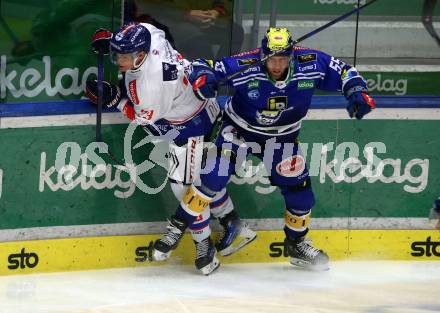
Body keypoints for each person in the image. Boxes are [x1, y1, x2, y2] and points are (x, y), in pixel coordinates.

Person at [157, 27, 376, 271]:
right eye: (272, 59)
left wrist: (356, 90)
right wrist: (204, 78)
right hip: (239, 129)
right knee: (212, 177)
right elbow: (203, 65)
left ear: (292, 56)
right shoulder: (248, 63)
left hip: (282, 138)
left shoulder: (311, 62)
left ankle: (297, 244)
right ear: (263, 54)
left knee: (300, 192)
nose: (277, 65)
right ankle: (176, 228)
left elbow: (346, 71)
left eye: (282, 59)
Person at [84, 23, 256, 275]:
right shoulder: (149, 33)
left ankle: (205, 246)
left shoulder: (150, 86)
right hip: (199, 104)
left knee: (183, 187)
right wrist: (114, 39)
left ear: (141, 55)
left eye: (123, 56)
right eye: (116, 54)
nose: (118, 60)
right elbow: (139, 28)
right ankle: (233, 224)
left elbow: (144, 118)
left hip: (190, 125)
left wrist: (114, 100)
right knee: (200, 182)